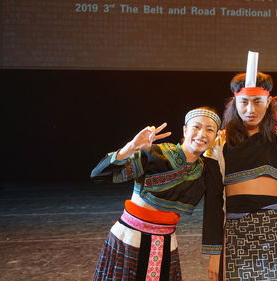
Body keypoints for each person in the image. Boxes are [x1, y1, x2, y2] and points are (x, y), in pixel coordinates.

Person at [90, 107, 224, 281]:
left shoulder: (203, 170)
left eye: (209, 129)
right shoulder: (155, 154)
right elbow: (99, 175)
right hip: (130, 237)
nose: (202, 134)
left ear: (216, 136)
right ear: (185, 130)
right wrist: (130, 148)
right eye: (196, 127)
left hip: (166, 242)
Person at [204, 73, 277, 281]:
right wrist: (214, 253)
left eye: (257, 102)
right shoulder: (219, 144)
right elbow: (213, 202)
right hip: (237, 230)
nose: (250, 110)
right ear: (235, 102)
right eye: (244, 102)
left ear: (268, 102)